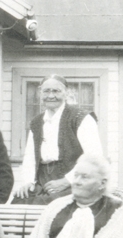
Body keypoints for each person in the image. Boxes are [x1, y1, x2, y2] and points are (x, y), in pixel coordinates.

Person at [12, 74, 103, 204]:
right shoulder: (36, 122)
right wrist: (28, 182)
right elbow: (30, 157)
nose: (50, 96)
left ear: (66, 93)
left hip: (75, 181)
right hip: (42, 181)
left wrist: (67, 181)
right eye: (46, 91)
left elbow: (94, 157)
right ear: (40, 93)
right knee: (19, 201)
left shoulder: (81, 118)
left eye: (56, 91)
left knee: (52, 206)